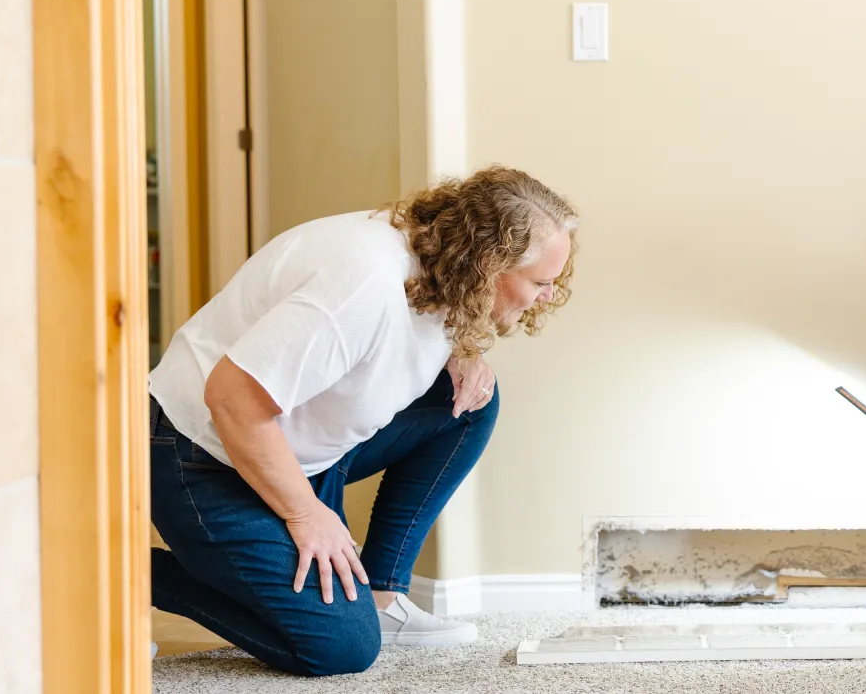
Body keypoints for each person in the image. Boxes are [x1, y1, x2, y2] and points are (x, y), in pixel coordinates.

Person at [148, 166, 577, 676]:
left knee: (468, 402)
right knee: (340, 646)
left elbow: (391, 339)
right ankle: (131, 574)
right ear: (487, 264)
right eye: (540, 282)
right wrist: (306, 514)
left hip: (292, 443)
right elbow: (231, 397)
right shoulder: (362, 284)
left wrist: (461, 351)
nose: (548, 295)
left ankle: (382, 595)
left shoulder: (439, 258)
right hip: (201, 454)